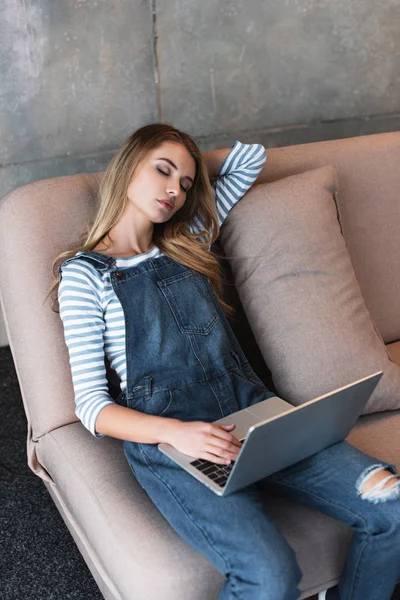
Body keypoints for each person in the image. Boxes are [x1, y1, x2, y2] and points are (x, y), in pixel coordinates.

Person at [53, 123, 400, 600]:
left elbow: (251, 157)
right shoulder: (84, 275)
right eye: (163, 170)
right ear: (127, 165)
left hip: (255, 413)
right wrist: (177, 432)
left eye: (187, 183)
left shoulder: (189, 236)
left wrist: (192, 164)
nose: (175, 190)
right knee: (270, 574)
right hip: (175, 440)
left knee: (392, 504)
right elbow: (91, 407)